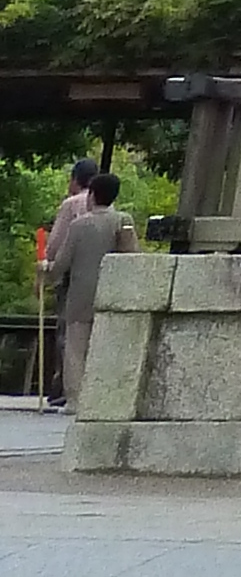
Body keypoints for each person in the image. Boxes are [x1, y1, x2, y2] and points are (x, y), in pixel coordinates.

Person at [50, 173, 137, 412]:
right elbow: (132, 255)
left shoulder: (79, 225)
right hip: (113, 293)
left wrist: (48, 274)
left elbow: (62, 261)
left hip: (80, 295)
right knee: (106, 346)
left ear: (92, 195)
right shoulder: (123, 220)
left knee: (75, 348)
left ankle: (76, 400)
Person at [37, 166, 91, 407]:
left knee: (67, 331)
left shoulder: (71, 204)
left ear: (75, 180)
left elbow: (57, 241)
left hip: (71, 275)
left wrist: (44, 273)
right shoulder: (110, 208)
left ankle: (64, 386)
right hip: (98, 274)